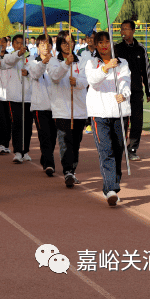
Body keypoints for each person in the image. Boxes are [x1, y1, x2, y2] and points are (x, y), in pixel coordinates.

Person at [86, 31, 132, 207]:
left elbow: (125, 81)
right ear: (96, 45)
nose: (104, 45)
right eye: (101, 42)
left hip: (119, 113)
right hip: (99, 113)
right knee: (106, 151)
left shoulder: (122, 63)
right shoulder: (92, 62)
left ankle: (111, 184)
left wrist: (124, 94)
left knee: (118, 150)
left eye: (107, 42)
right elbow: (93, 80)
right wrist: (106, 68)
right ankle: (111, 189)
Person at [49, 32, 88, 188]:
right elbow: (54, 77)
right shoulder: (53, 61)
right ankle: (68, 172)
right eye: (64, 43)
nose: (67, 45)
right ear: (59, 44)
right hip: (61, 109)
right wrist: (65, 64)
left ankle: (72, 169)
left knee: (76, 142)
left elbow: (86, 80)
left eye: (70, 42)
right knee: (65, 140)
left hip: (79, 109)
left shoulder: (82, 61)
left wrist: (77, 81)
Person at [115, 20, 150, 161]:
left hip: (136, 91)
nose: (123, 32)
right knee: (122, 121)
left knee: (137, 121)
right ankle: (119, 148)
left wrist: (149, 91)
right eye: (121, 29)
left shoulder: (141, 49)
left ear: (133, 30)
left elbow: (146, 71)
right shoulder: (116, 48)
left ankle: (132, 149)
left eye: (126, 29)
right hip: (121, 92)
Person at [27, 34, 58, 177]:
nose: (46, 47)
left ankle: (45, 156)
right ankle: (49, 164)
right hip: (40, 105)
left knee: (52, 136)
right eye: (42, 45)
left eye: (48, 44)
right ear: (37, 47)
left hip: (56, 106)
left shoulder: (56, 61)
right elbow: (35, 74)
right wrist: (44, 62)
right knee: (44, 135)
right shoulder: (32, 61)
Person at [1, 34, 33, 164]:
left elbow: (35, 71)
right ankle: (18, 151)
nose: (20, 45)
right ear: (13, 45)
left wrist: (29, 73)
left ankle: (26, 151)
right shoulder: (10, 57)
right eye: (17, 43)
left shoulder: (30, 58)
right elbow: (7, 63)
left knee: (28, 125)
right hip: (14, 97)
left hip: (28, 97)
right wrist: (19, 54)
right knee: (17, 123)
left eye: (22, 43)